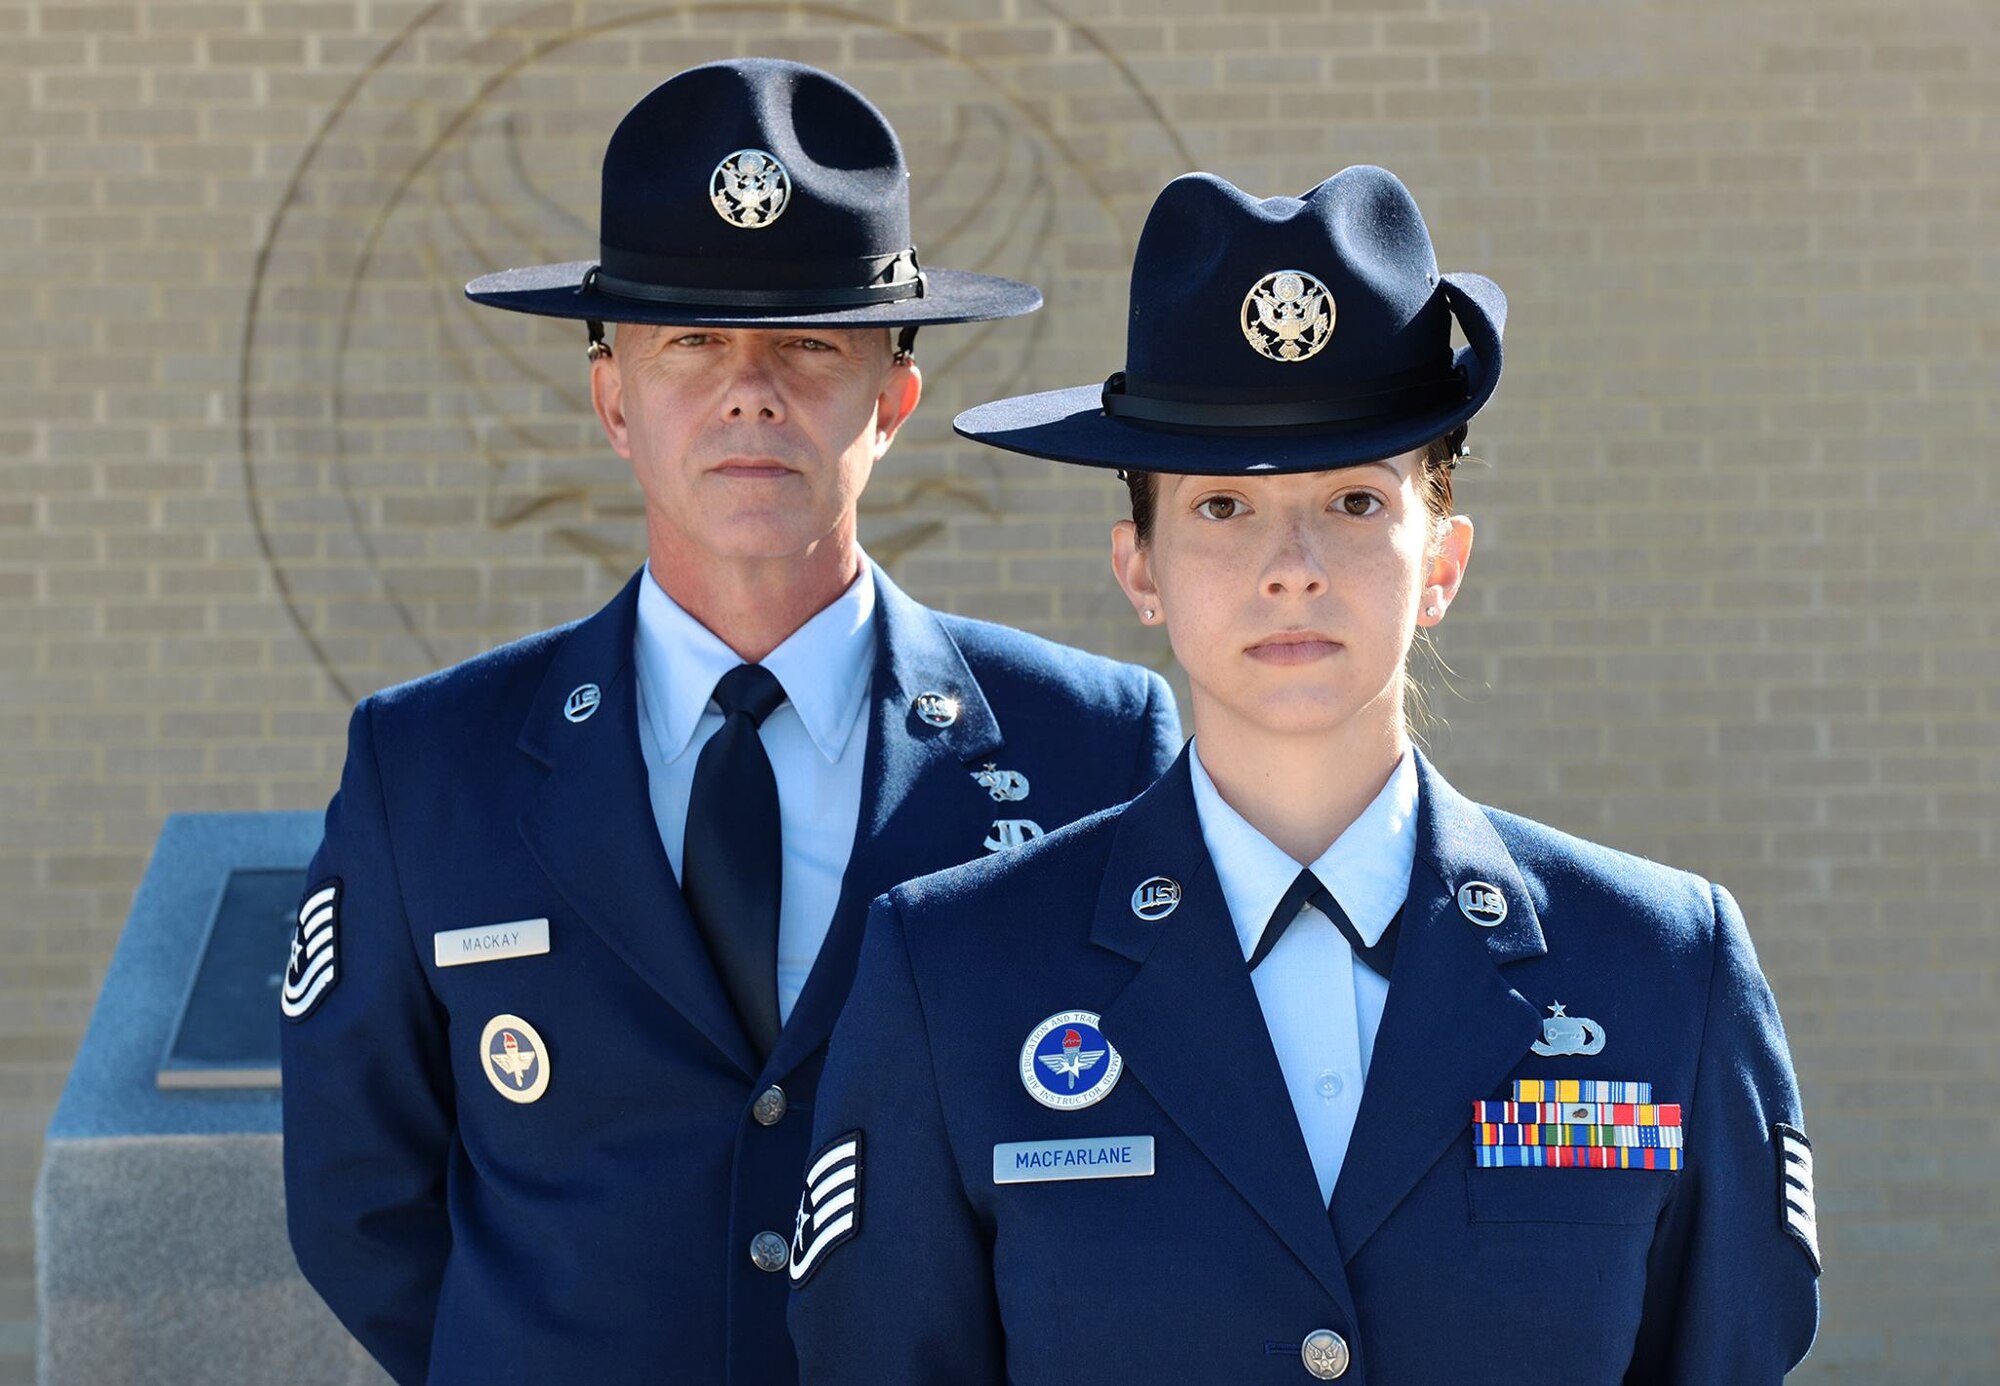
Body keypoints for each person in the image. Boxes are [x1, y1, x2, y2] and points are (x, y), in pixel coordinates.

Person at [788, 166, 1820, 1383]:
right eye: (1221, 504)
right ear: (1140, 568)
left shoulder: (1660, 969)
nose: (1290, 565)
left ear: (1440, 561)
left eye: (1350, 500)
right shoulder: (953, 973)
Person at [278, 59, 1180, 1386]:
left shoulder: (1091, 748)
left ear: (893, 400)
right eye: (691, 343)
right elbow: (360, 1202)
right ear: (613, 403)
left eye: (810, 343)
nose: (749, 390)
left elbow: (1160, 1170)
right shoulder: (430, 768)